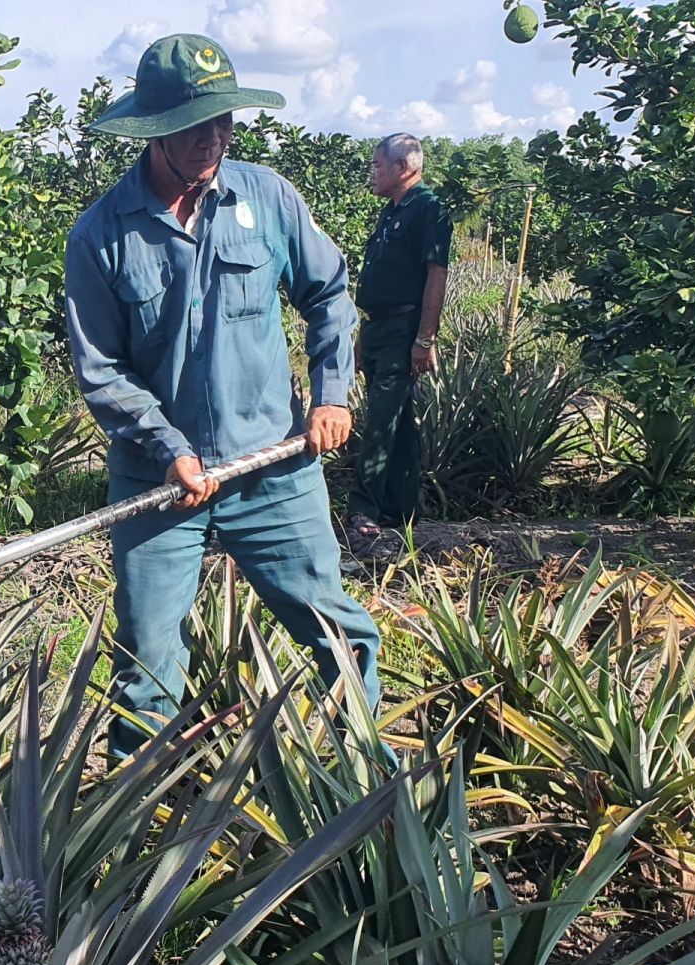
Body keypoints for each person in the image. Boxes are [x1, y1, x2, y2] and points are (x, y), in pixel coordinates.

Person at [63, 33, 382, 756]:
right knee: (147, 655)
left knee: (337, 632)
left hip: (272, 466)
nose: (214, 137)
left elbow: (329, 294)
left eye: (224, 121)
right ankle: (143, 822)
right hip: (158, 480)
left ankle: (367, 789)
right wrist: (169, 448)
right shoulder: (101, 236)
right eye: (195, 124)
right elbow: (102, 368)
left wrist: (333, 392)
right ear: (153, 131)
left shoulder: (267, 197)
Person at [347, 133, 451, 544]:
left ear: (403, 167)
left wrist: (425, 338)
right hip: (377, 328)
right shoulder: (391, 212)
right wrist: (361, 337)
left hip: (402, 331)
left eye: (377, 165)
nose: (372, 173)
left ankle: (362, 508)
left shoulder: (428, 208)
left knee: (380, 418)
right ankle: (403, 510)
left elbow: (436, 274)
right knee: (400, 423)